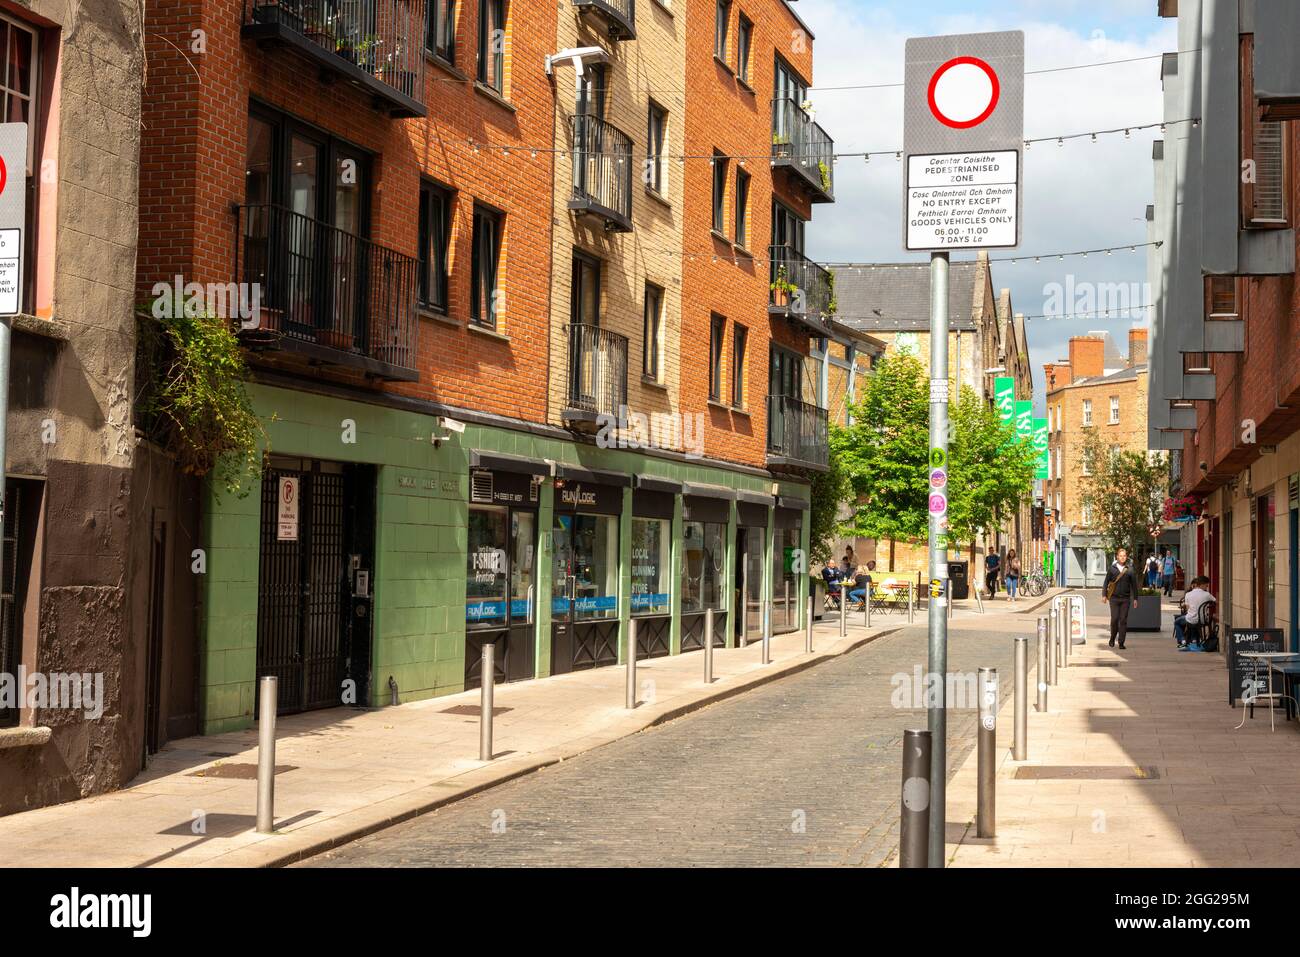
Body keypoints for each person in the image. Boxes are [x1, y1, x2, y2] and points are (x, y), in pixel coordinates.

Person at [1103, 547, 1141, 650]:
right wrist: (1104, 595)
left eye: (1124, 556)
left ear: (1126, 557)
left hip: (1125, 599)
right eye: (1120, 556)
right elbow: (1106, 582)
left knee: (1123, 620)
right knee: (1114, 619)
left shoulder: (1130, 570)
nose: (1122, 557)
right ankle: (1112, 638)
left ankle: (1121, 642)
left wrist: (1135, 599)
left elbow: (1134, 585)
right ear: (1117, 557)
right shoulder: (1112, 569)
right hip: (1114, 599)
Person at [1175, 576, 1216, 650]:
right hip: (1203, 620)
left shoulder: (1188, 594)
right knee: (1194, 622)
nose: (1206, 587)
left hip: (1191, 619)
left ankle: (1182, 641)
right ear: (1202, 584)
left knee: (1177, 622)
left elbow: (1187, 609)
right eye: (1206, 585)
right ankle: (1194, 639)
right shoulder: (1207, 594)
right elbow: (1215, 601)